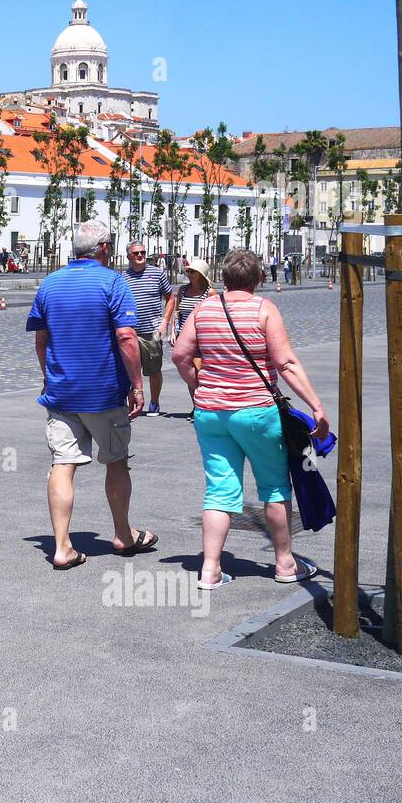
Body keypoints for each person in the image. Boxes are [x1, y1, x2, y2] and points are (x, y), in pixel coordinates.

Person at [171, 249, 330, 590]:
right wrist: (315, 405)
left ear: (223, 278)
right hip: (257, 412)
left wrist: (197, 385)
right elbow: (286, 364)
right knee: (274, 486)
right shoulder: (264, 310)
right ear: (260, 278)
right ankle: (285, 563)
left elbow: (180, 354)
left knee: (219, 490)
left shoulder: (204, 308)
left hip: (211, 413)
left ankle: (210, 569)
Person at [27, 220, 155, 570]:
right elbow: (127, 338)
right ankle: (122, 535)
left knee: (62, 464)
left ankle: (62, 547)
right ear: (102, 248)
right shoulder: (114, 281)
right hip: (104, 394)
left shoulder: (49, 284)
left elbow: (41, 341)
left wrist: (48, 377)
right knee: (116, 459)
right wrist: (138, 386)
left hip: (62, 394)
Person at [122, 240, 175, 417]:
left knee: (154, 368)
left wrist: (165, 321)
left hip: (153, 330)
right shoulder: (123, 277)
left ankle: (154, 403)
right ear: (129, 255)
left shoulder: (157, 273)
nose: (140, 256)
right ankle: (133, 402)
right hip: (130, 330)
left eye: (143, 253)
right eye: (136, 253)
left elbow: (170, 298)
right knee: (128, 368)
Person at [171, 258, 215, 422]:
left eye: (193, 272)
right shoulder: (182, 290)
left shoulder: (209, 293)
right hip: (184, 338)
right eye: (188, 271)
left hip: (201, 338)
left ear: (201, 275)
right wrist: (173, 331)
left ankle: (203, 406)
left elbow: (214, 314)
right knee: (188, 374)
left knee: (199, 372)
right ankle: (196, 406)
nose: (188, 274)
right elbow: (177, 313)